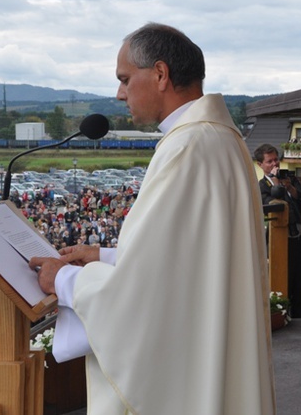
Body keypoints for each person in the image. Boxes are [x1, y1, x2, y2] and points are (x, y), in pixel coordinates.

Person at [29, 23, 275, 415]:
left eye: (125, 79)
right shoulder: (222, 139)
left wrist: (62, 278)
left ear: (160, 75)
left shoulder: (187, 146)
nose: (120, 93)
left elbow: (140, 293)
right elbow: (190, 262)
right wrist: (106, 257)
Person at [254, 143, 301, 319]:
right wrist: (277, 185)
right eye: (269, 161)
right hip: (280, 243)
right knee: (284, 283)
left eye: (276, 160)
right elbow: (274, 206)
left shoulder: (291, 179)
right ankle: (284, 319)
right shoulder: (262, 186)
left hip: (299, 240)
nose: (274, 164)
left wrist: (290, 187)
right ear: (260, 165)